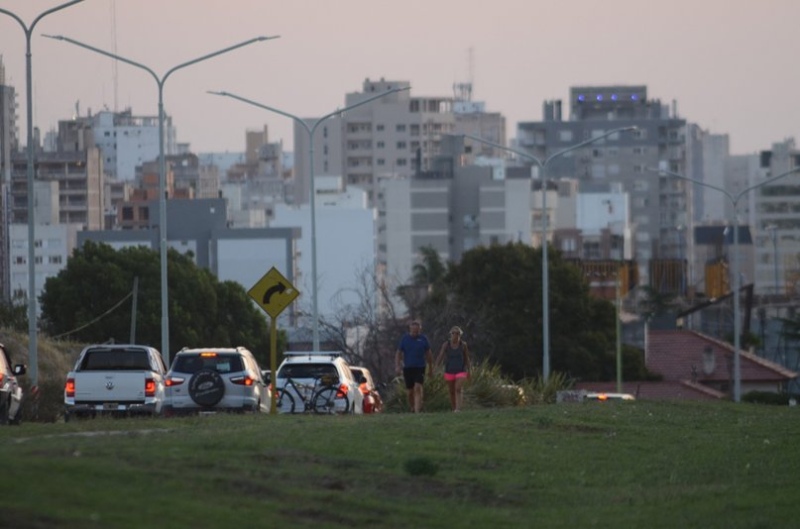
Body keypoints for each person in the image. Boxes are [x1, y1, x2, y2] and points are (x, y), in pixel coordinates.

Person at [395, 320, 433, 413]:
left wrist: (431, 367)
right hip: (408, 368)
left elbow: (428, 354)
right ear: (410, 329)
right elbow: (399, 353)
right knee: (409, 392)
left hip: (420, 367)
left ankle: (417, 411)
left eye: (417, 331)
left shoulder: (423, 339)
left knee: (417, 387)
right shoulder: (405, 339)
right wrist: (398, 366)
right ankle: (412, 407)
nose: (415, 333)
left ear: (420, 330)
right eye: (413, 331)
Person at [435, 325, 471, 412]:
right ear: (451, 334)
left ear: (460, 335)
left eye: (458, 333)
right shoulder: (446, 345)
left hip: (461, 370)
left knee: (458, 388)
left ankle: (458, 409)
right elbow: (440, 356)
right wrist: (436, 367)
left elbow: (466, 358)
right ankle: (454, 407)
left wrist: (469, 370)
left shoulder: (463, 345)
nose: (455, 335)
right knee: (451, 391)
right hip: (449, 370)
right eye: (453, 333)